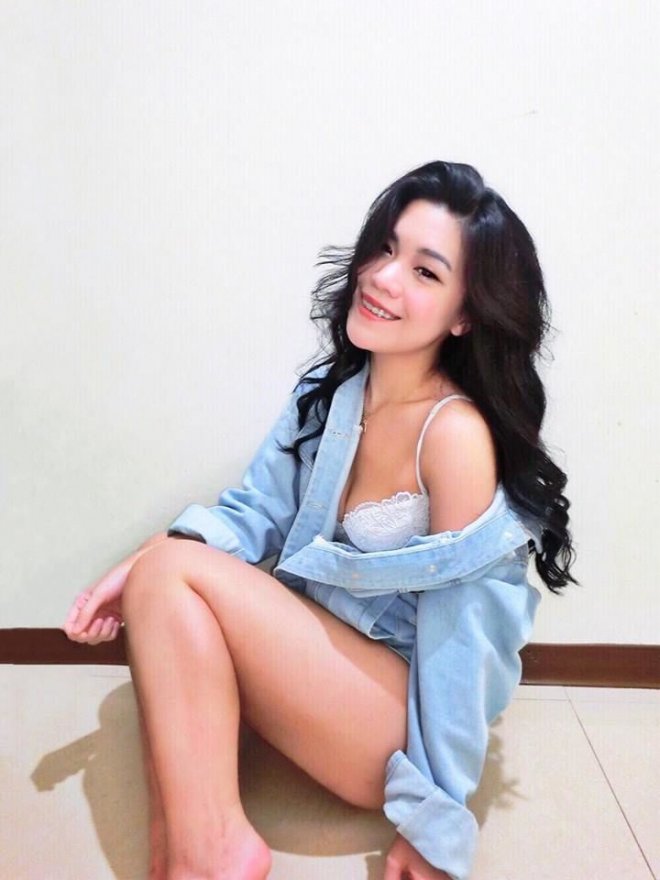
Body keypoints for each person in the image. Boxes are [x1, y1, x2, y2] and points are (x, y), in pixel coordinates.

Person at [63, 160, 577, 880]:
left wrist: (436, 823)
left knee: (170, 569)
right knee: (167, 578)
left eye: (424, 272)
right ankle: (190, 850)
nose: (384, 277)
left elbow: (464, 643)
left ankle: (212, 852)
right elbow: (256, 512)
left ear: (464, 314)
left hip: (391, 721)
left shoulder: (453, 435)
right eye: (385, 248)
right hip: (322, 677)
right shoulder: (331, 392)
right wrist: (146, 562)